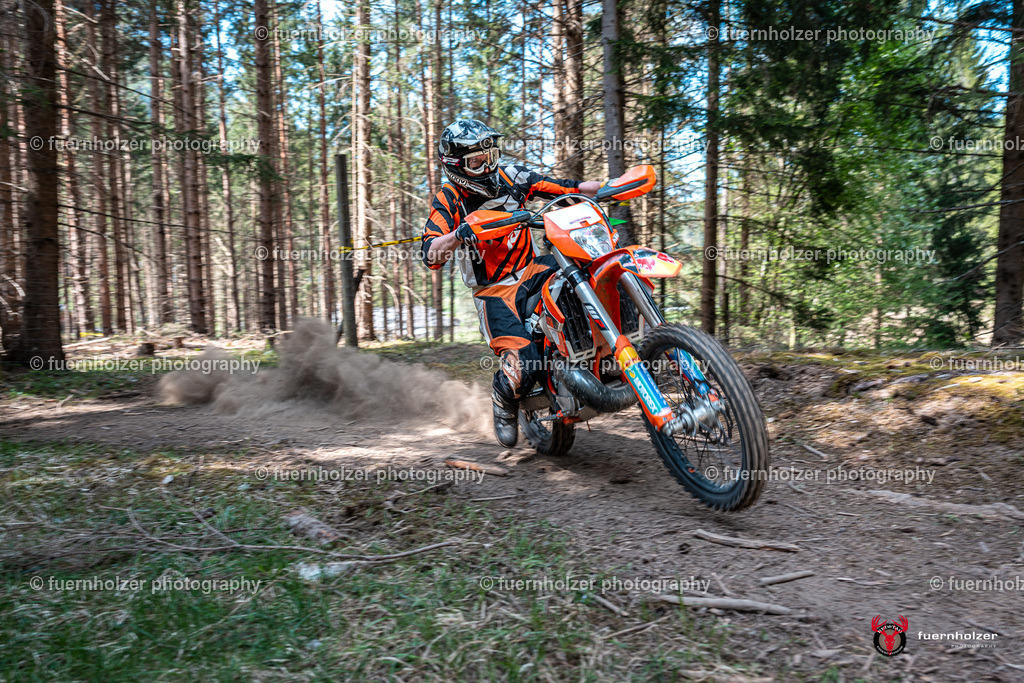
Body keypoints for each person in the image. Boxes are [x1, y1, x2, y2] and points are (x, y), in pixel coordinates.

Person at [421, 119, 602, 447]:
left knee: (583, 274)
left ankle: (591, 355)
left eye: (491, 155)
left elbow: (566, 187)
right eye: (477, 161)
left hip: (532, 269)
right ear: (455, 166)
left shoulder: (512, 176)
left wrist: (611, 186)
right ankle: (504, 400)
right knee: (524, 359)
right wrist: (457, 235)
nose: (488, 166)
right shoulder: (448, 199)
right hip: (493, 291)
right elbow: (431, 254)